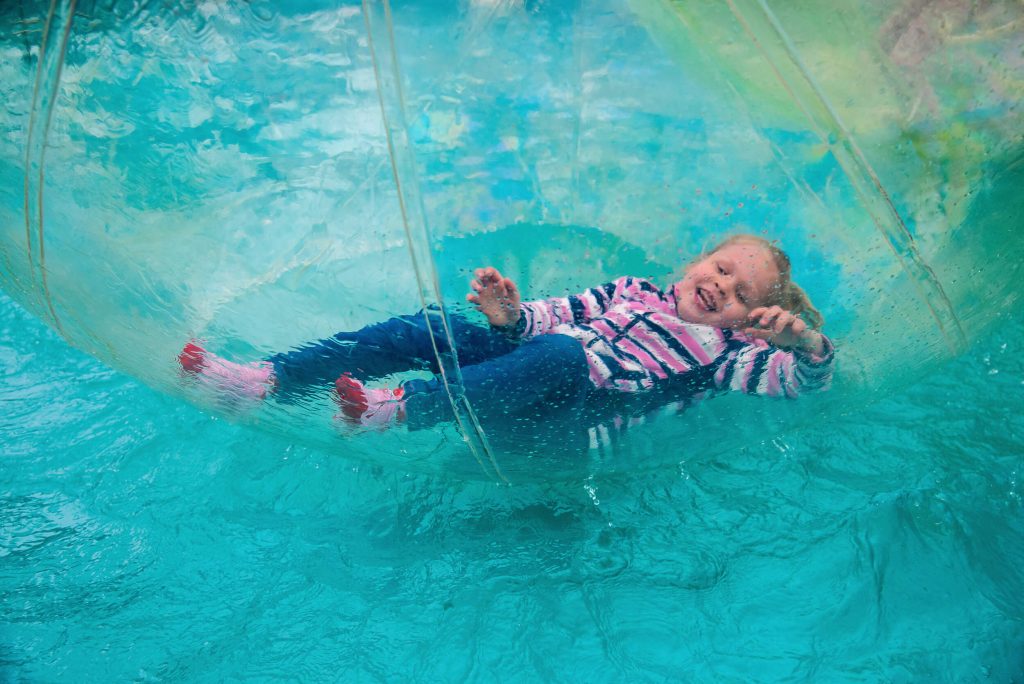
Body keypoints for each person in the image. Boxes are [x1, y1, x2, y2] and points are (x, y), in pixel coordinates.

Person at [179, 234, 834, 430]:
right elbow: (556, 315)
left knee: (562, 355)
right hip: (534, 362)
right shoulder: (631, 290)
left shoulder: (729, 355)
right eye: (720, 269)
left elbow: (801, 384)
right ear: (697, 262)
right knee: (437, 325)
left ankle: (399, 410)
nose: (721, 286)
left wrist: (805, 346)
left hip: (576, 409)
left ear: (749, 321)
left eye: (740, 295)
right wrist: (509, 315)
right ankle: (270, 378)